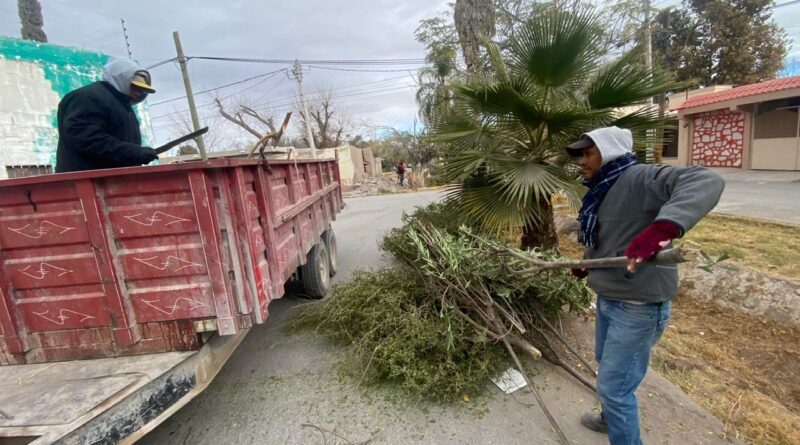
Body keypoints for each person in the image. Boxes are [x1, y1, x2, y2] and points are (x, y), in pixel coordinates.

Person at [566, 126, 724, 445]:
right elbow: (610, 235)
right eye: (579, 154)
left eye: (587, 153)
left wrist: (661, 230)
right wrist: (587, 262)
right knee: (607, 365)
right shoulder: (601, 189)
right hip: (610, 298)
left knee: (615, 387)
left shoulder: (639, 178)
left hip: (638, 307)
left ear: (608, 151)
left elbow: (707, 180)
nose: (581, 161)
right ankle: (611, 418)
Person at [55, 58, 159, 173]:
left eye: (142, 89)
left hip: (110, 181)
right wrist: (135, 152)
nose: (139, 92)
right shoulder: (89, 97)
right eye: (135, 86)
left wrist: (136, 154)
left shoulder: (122, 106)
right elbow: (88, 139)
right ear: (120, 79)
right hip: (89, 181)